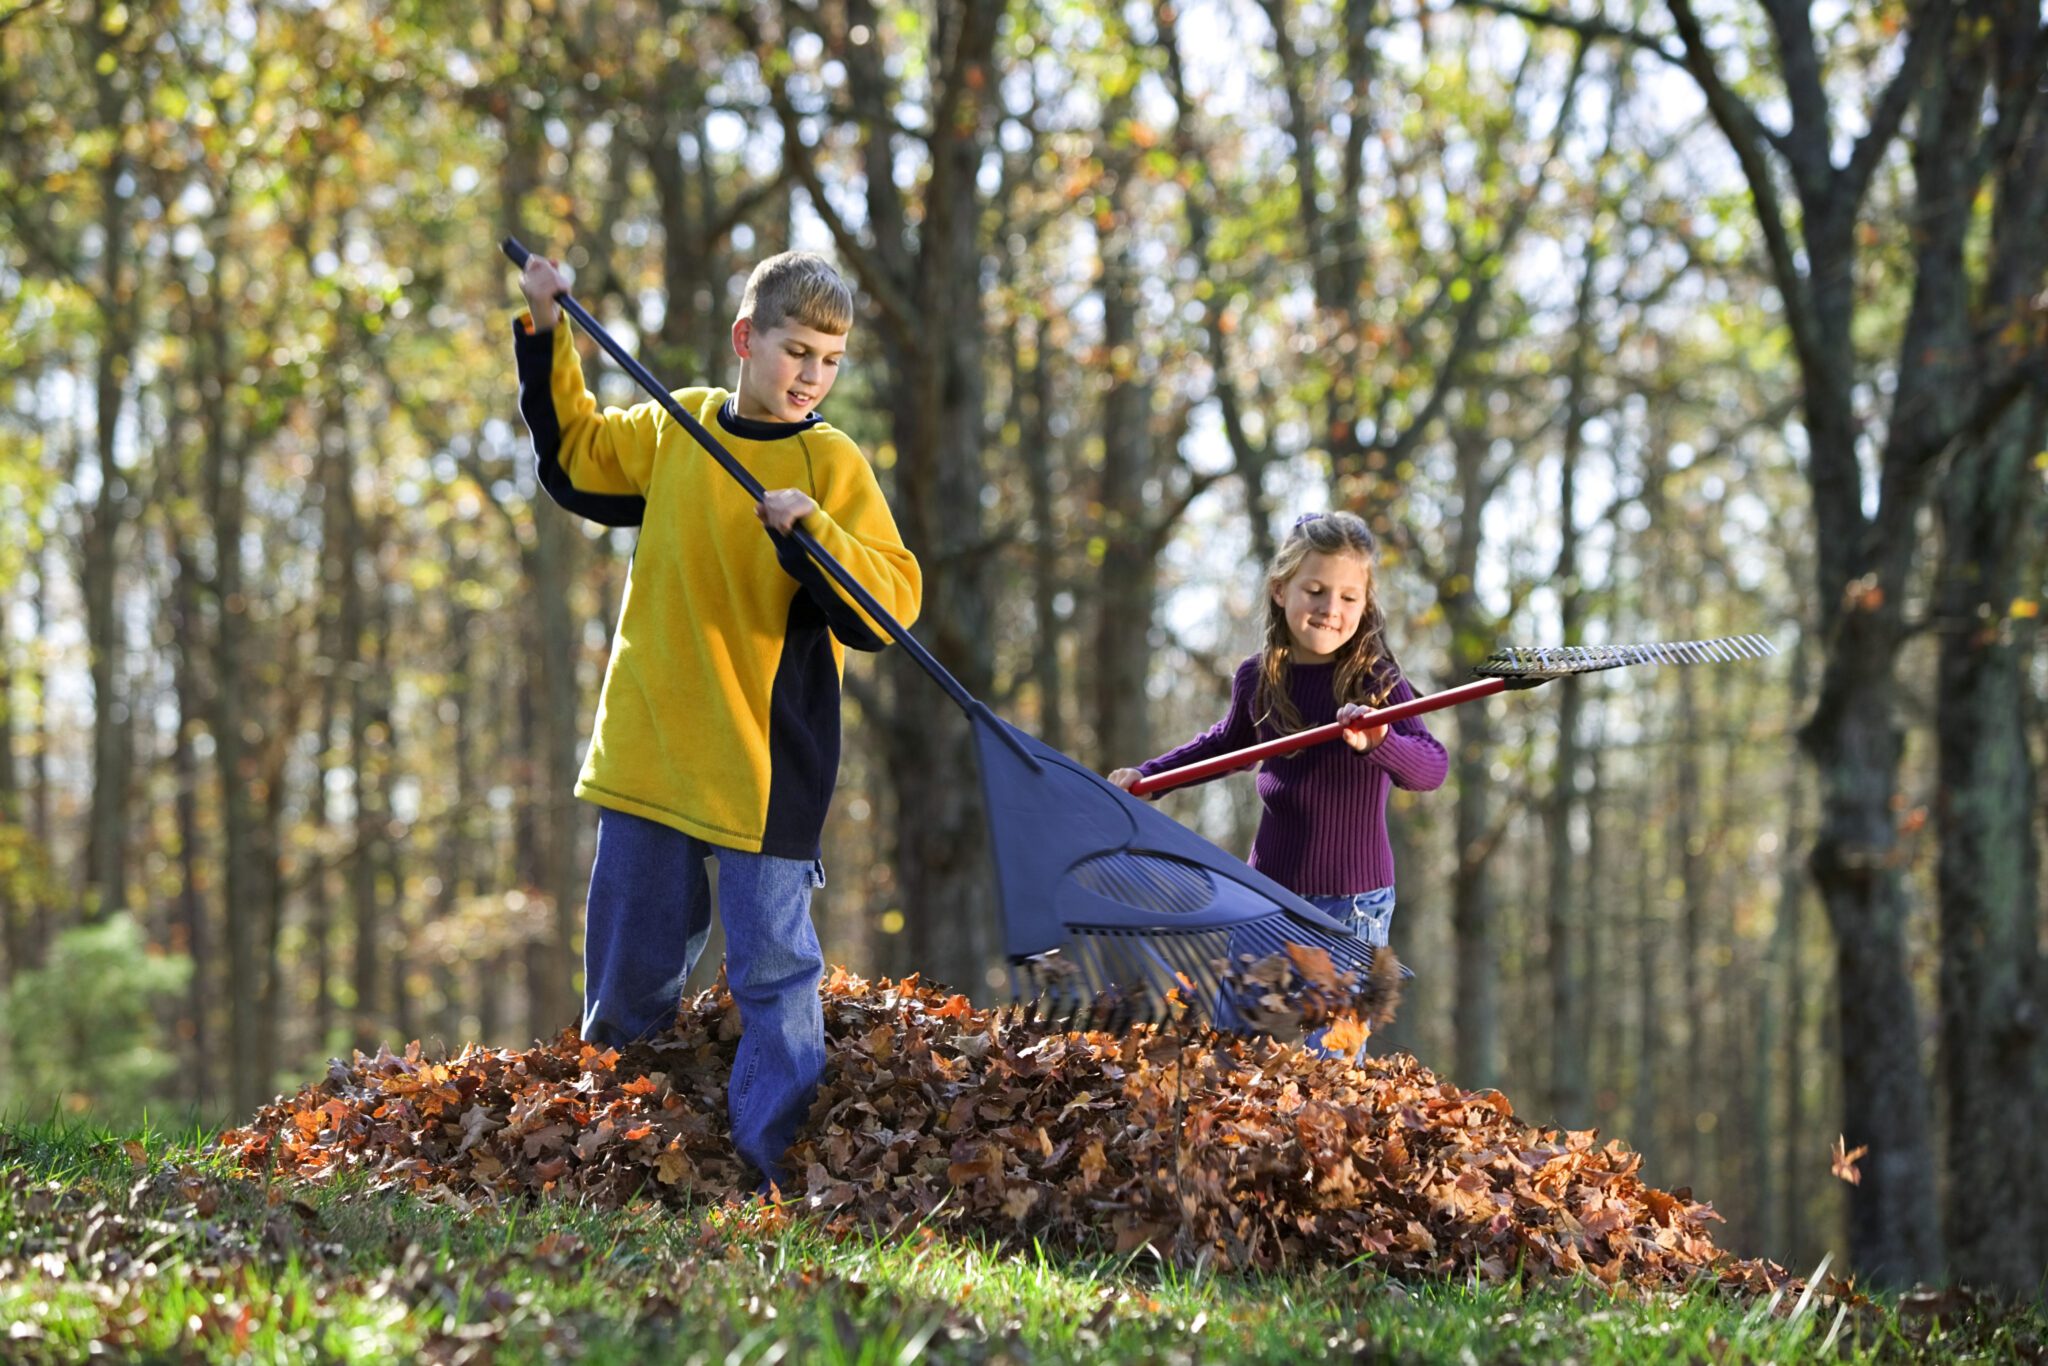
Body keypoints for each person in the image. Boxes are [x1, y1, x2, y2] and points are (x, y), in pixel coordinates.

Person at [512, 249, 922, 1189]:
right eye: (795, 351)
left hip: (763, 771)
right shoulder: (681, 428)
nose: (811, 375)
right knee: (629, 975)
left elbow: (890, 604)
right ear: (747, 340)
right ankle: (615, 1161)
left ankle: (771, 1169)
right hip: (653, 751)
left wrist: (813, 532)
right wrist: (547, 325)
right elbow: (574, 458)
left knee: (775, 979)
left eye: (829, 359)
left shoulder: (830, 460)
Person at [1109, 510, 1446, 996]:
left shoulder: (1376, 680)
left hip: (1352, 903)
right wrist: (1149, 777)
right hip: (1266, 892)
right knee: (1242, 1044)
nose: (1332, 607)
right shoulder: (1258, 677)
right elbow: (1227, 746)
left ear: (1365, 603)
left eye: (1349, 597)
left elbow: (1431, 766)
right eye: (1316, 591)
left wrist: (1381, 743)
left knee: (1325, 1061)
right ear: (1280, 589)